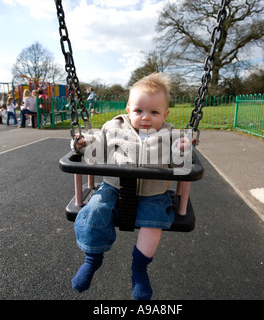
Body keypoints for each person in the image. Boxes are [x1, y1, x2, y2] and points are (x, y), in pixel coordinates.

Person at [70, 73, 193, 300]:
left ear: (165, 114)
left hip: (153, 192)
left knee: (154, 224)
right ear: (128, 109)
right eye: (139, 111)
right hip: (114, 187)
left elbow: (178, 163)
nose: (146, 118)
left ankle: (139, 270)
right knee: (95, 210)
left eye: (154, 112)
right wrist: (82, 143)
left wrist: (184, 149)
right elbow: (95, 148)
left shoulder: (170, 135)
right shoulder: (114, 127)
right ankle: (91, 259)